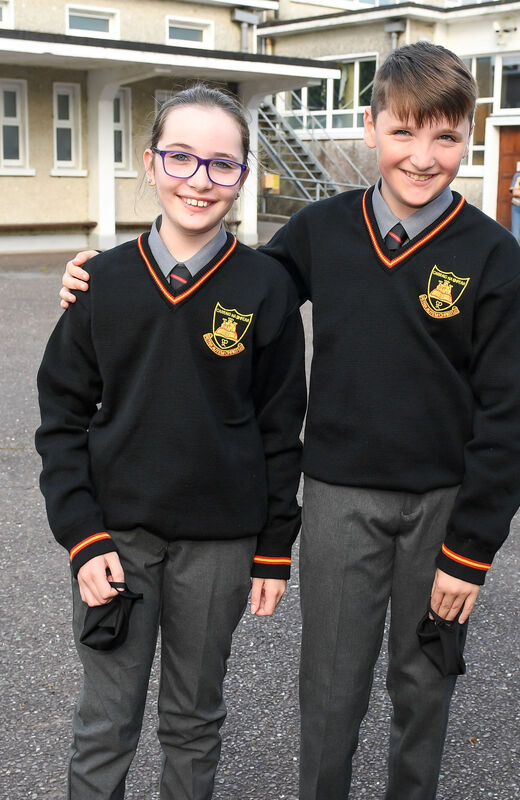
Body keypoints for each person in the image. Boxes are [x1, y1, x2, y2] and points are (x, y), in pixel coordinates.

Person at [60, 43, 520, 800]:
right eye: (403, 132)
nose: (421, 156)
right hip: (341, 497)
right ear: (373, 127)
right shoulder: (321, 229)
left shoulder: (493, 255)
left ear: (468, 139)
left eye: (445, 136)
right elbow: (235, 282)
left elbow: (510, 415)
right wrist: (105, 273)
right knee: (331, 687)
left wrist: (471, 549)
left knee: (425, 682)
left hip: (444, 507)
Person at [36, 85, 306, 800]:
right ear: (150, 163)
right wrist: (82, 538)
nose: (200, 179)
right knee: (106, 721)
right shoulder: (101, 281)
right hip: (115, 542)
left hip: (220, 544)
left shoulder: (265, 286)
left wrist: (276, 545)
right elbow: (61, 419)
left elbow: (282, 429)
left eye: (222, 164)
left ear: (244, 177)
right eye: (181, 157)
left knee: (193, 718)